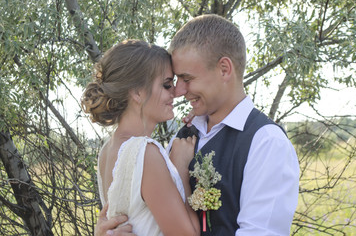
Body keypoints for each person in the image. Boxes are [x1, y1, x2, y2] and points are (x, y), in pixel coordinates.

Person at [96, 14, 300, 236]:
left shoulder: (266, 143)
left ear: (224, 69)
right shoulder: (181, 137)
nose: (179, 91)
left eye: (187, 79)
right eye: (172, 82)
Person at [82, 39, 200, 236]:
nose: (175, 93)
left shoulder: (107, 150)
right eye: (166, 85)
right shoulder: (144, 152)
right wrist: (180, 167)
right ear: (137, 92)